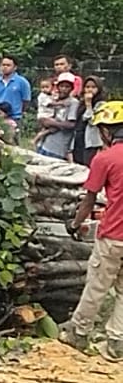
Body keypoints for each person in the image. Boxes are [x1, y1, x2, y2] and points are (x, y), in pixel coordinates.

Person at [59, 101, 123, 362]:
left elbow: (89, 199)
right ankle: (117, 342)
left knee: (97, 285)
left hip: (113, 234)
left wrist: (75, 224)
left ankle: (80, 331)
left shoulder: (105, 158)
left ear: (108, 131)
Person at [37, 73, 81, 160]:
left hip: (58, 147)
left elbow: (71, 124)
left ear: (72, 88)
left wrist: (53, 123)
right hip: (45, 143)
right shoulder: (53, 99)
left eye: (67, 87)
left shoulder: (72, 102)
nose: (64, 89)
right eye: (61, 86)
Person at [0, 56, 32, 122]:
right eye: (3, 65)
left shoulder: (22, 82)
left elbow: (26, 100)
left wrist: (20, 112)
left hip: (15, 118)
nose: (5, 67)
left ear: (15, 67)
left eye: (8, 65)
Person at [78, 78, 106, 166]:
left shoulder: (101, 104)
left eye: (93, 87)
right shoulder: (81, 102)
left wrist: (89, 105)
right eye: (87, 87)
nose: (90, 89)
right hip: (81, 138)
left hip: (92, 142)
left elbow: (92, 121)